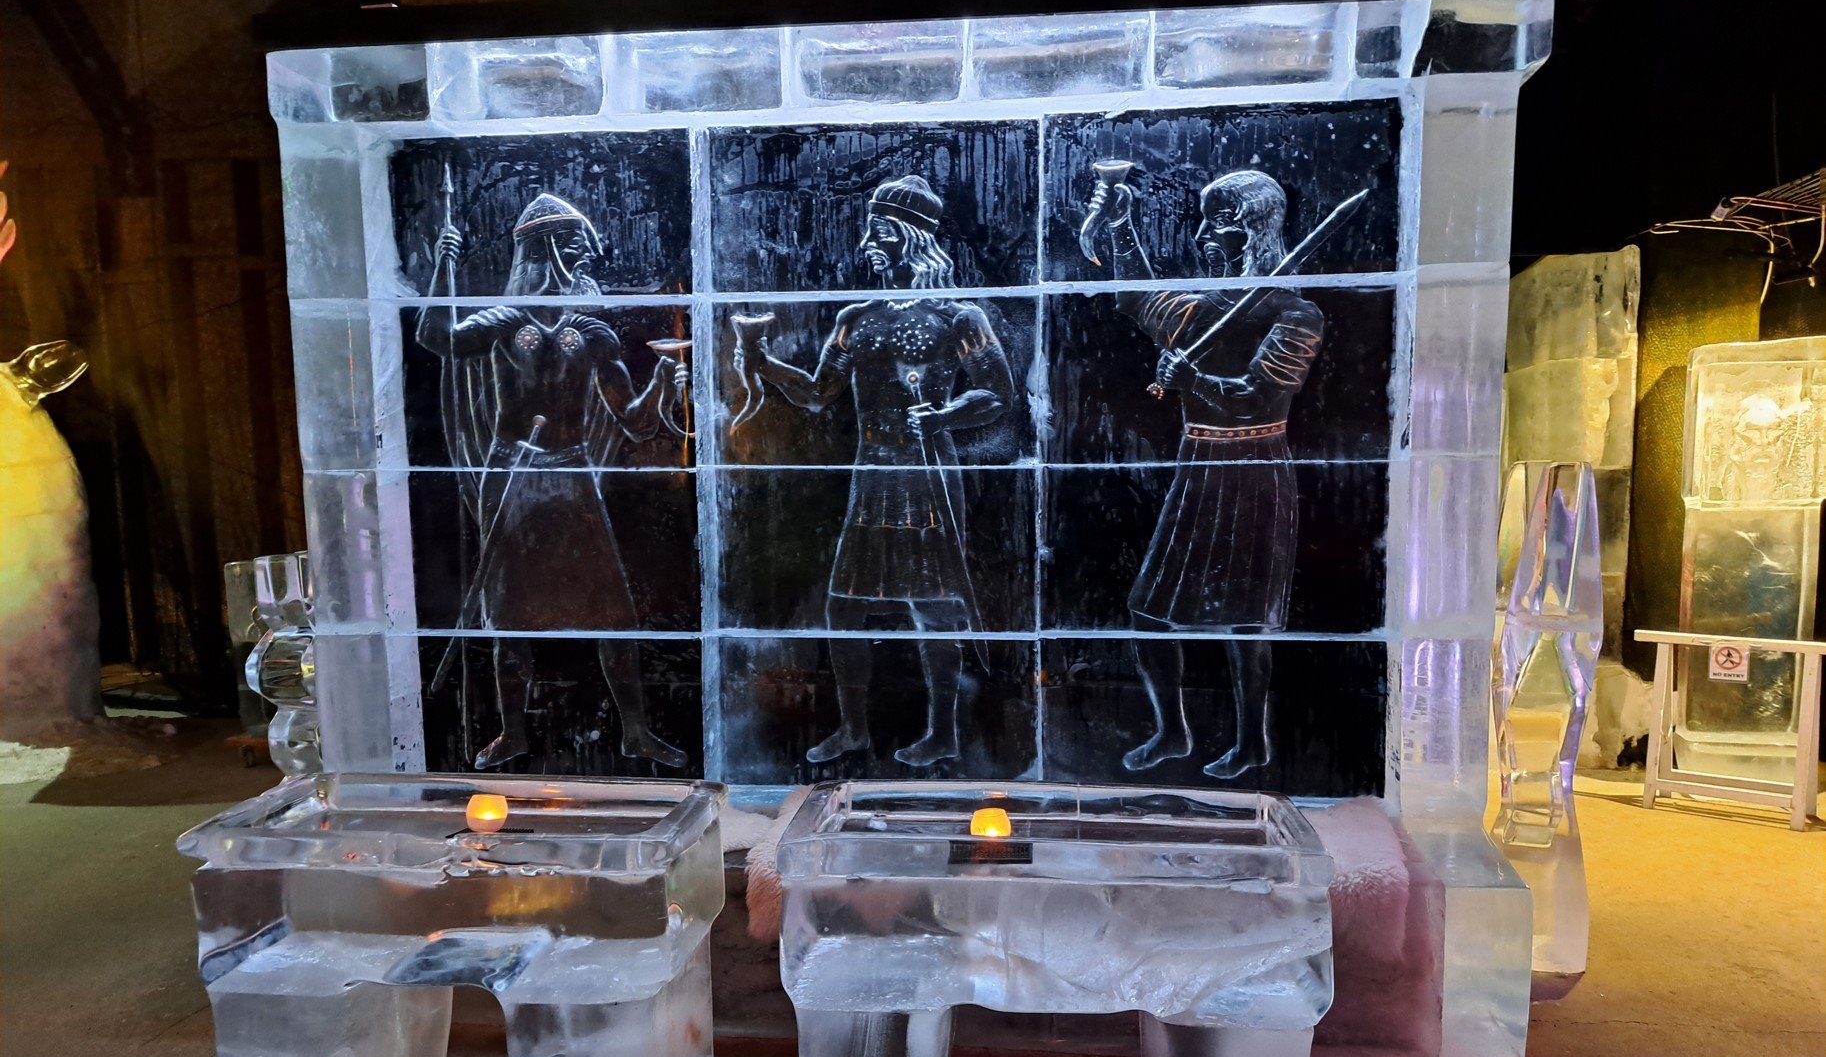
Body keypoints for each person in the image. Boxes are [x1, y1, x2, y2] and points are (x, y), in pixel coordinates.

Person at [735, 174, 1016, 767]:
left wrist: (944, 416)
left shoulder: (958, 316)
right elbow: (819, 393)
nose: (870, 242)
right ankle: (855, 729)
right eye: (870, 230)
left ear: (914, 237)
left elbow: (997, 394)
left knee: (935, 604)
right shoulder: (856, 316)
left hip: (926, 472)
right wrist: (762, 361)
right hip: (873, 473)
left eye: (882, 230)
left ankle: (944, 733)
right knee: (844, 605)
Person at [417, 191, 688, 771]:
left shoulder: (592, 332)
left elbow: (635, 422)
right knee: (510, 614)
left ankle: (636, 732)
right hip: (513, 473)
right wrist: (444, 267)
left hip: (570, 475)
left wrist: (665, 380)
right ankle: (513, 733)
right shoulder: (505, 321)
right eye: (575, 246)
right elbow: (437, 338)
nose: (586, 256)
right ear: (547, 251)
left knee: (612, 613)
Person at [1083, 168, 1324, 778]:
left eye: (1219, 222)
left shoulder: (1297, 313)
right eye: (1204, 220)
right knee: (1149, 610)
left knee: (1246, 619)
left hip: (1254, 466)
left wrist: (1194, 380)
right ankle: (1173, 733)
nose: (1203, 236)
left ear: (1254, 227)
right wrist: (1121, 226)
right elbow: (1137, 298)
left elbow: (1259, 395)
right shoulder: (1207, 308)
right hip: (1199, 466)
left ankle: (1251, 744)